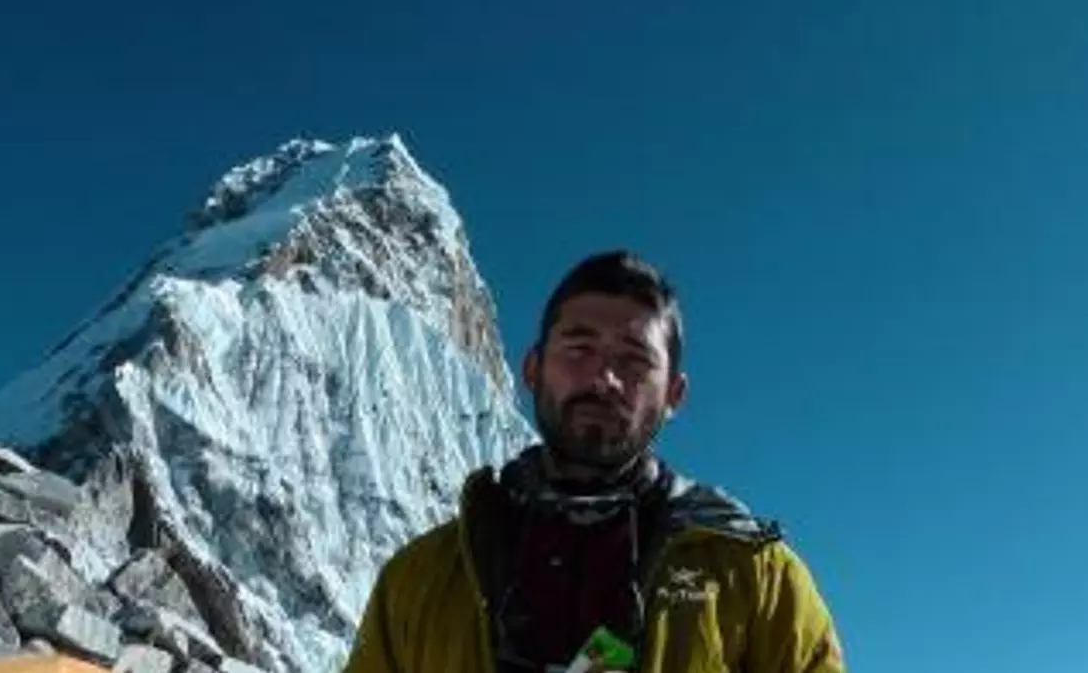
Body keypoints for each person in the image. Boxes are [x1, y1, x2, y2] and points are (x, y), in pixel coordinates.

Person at [343, 250, 846, 673]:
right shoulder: (421, 580)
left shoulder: (755, 578)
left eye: (634, 360)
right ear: (532, 369)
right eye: (579, 348)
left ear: (674, 394)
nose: (604, 379)